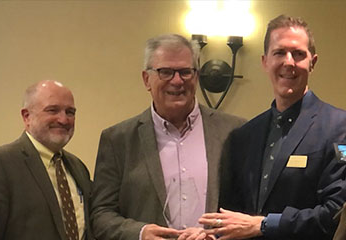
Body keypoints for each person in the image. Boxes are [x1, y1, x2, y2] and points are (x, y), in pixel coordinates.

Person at [199, 15, 346, 240]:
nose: (289, 62)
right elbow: (233, 214)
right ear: (265, 61)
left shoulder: (339, 127)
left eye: (298, 54)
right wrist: (209, 233)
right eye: (279, 53)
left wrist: (266, 225)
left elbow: (336, 212)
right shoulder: (244, 135)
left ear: (312, 62)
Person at [91, 34, 245, 240]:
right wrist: (140, 233)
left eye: (185, 72)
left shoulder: (235, 131)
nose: (177, 81)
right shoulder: (118, 140)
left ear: (196, 76)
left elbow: (249, 206)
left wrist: (216, 232)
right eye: (165, 72)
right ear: (147, 79)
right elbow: (101, 215)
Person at [0, 80, 93, 240]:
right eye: (52, 110)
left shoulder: (78, 167)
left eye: (70, 112)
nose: (63, 120)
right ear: (26, 116)